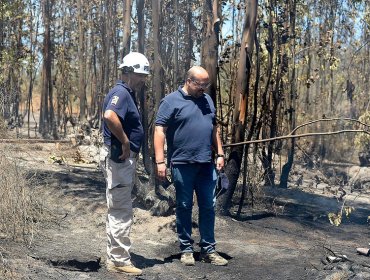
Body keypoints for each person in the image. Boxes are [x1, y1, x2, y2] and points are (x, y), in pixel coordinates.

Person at [154, 66, 228, 266]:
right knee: (185, 206)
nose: (203, 88)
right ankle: (186, 249)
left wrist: (220, 153)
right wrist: (160, 161)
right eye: (200, 84)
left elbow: (214, 128)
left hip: (206, 163)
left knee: (208, 206)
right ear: (188, 80)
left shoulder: (207, 100)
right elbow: (160, 130)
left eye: (206, 84)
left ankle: (208, 250)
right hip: (182, 163)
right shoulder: (170, 101)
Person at [99, 52, 150, 276]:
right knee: (121, 209)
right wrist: (125, 141)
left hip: (121, 161)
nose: (143, 80)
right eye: (140, 75)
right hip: (119, 159)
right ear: (129, 72)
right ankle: (119, 261)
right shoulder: (121, 92)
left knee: (118, 207)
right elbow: (110, 115)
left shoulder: (126, 92)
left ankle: (115, 256)